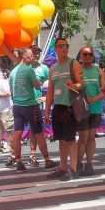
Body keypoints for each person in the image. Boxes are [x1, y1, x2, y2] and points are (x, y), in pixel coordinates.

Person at [8, 48, 54, 172]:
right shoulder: (29, 69)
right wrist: (40, 82)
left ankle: (18, 162)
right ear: (23, 56)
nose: (32, 57)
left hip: (17, 106)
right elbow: (37, 85)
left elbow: (11, 90)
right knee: (39, 133)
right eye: (29, 55)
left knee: (17, 133)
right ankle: (47, 160)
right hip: (30, 105)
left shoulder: (13, 71)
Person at [45, 37, 82, 180]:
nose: (64, 48)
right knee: (61, 140)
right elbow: (49, 92)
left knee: (70, 139)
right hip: (58, 107)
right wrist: (47, 111)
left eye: (66, 45)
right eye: (61, 46)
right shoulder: (52, 69)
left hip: (70, 107)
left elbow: (81, 84)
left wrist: (74, 85)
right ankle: (62, 167)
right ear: (55, 49)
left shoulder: (74, 63)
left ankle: (73, 170)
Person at [76, 46, 105, 176]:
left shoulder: (99, 71)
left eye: (90, 54)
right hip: (81, 110)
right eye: (85, 54)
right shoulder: (77, 71)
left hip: (95, 109)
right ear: (81, 56)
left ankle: (89, 164)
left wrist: (94, 99)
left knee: (91, 137)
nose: (88, 56)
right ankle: (78, 163)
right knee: (83, 137)